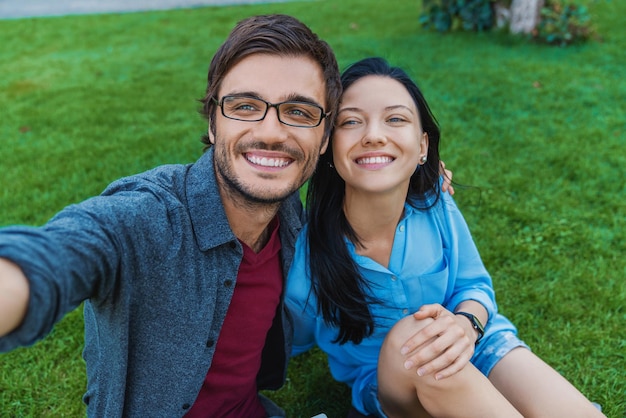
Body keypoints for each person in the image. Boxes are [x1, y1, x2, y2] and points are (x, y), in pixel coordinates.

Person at [0, 14, 343, 417]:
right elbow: (68, 250)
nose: (271, 131)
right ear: (214, 122)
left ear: (323, 138)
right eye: (245, 106)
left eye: (299, 112)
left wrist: (427, 179)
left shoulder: (289, 208)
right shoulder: (149, 218)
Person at [285, 57, 605, 418]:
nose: (373, 134)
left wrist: (465, 326)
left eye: (395, 119)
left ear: (422, 146)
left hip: (479, 344)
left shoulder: (435, 205)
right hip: (392, 385)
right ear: (328, 144)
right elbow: (285, 339)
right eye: (351, 121)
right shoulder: (309, 252)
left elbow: (474, 287)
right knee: (416, 336)